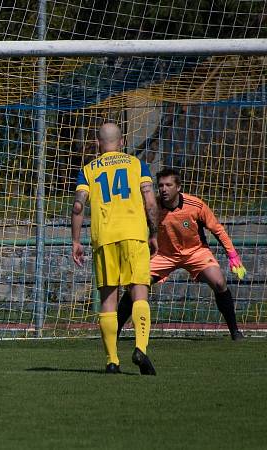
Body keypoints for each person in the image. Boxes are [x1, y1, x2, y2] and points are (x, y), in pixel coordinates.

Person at [117, 168, 246, 341]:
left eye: (168, 185)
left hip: (195, 252)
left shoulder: (196, 205)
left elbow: (217, 230)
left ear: (178, 187)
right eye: (161, 185)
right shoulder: (151, 208)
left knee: (219, 282)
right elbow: (135, 227)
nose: (164, 189)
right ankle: (115, 332)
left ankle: (235, 331)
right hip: (163, 255)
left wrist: (232, 255)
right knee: (136, 284)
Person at [71, 123, 160, 375]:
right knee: (138, 293)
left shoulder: (88, 170)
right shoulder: (136, 165)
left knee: (108, 300)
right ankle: (141, 347)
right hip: (134, 235)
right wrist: (154, 233)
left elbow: (78, 207)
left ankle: (112, 361)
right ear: (121, 142)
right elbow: (151, 202)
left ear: (99, 144)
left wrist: (76, 241)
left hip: (104, 238)